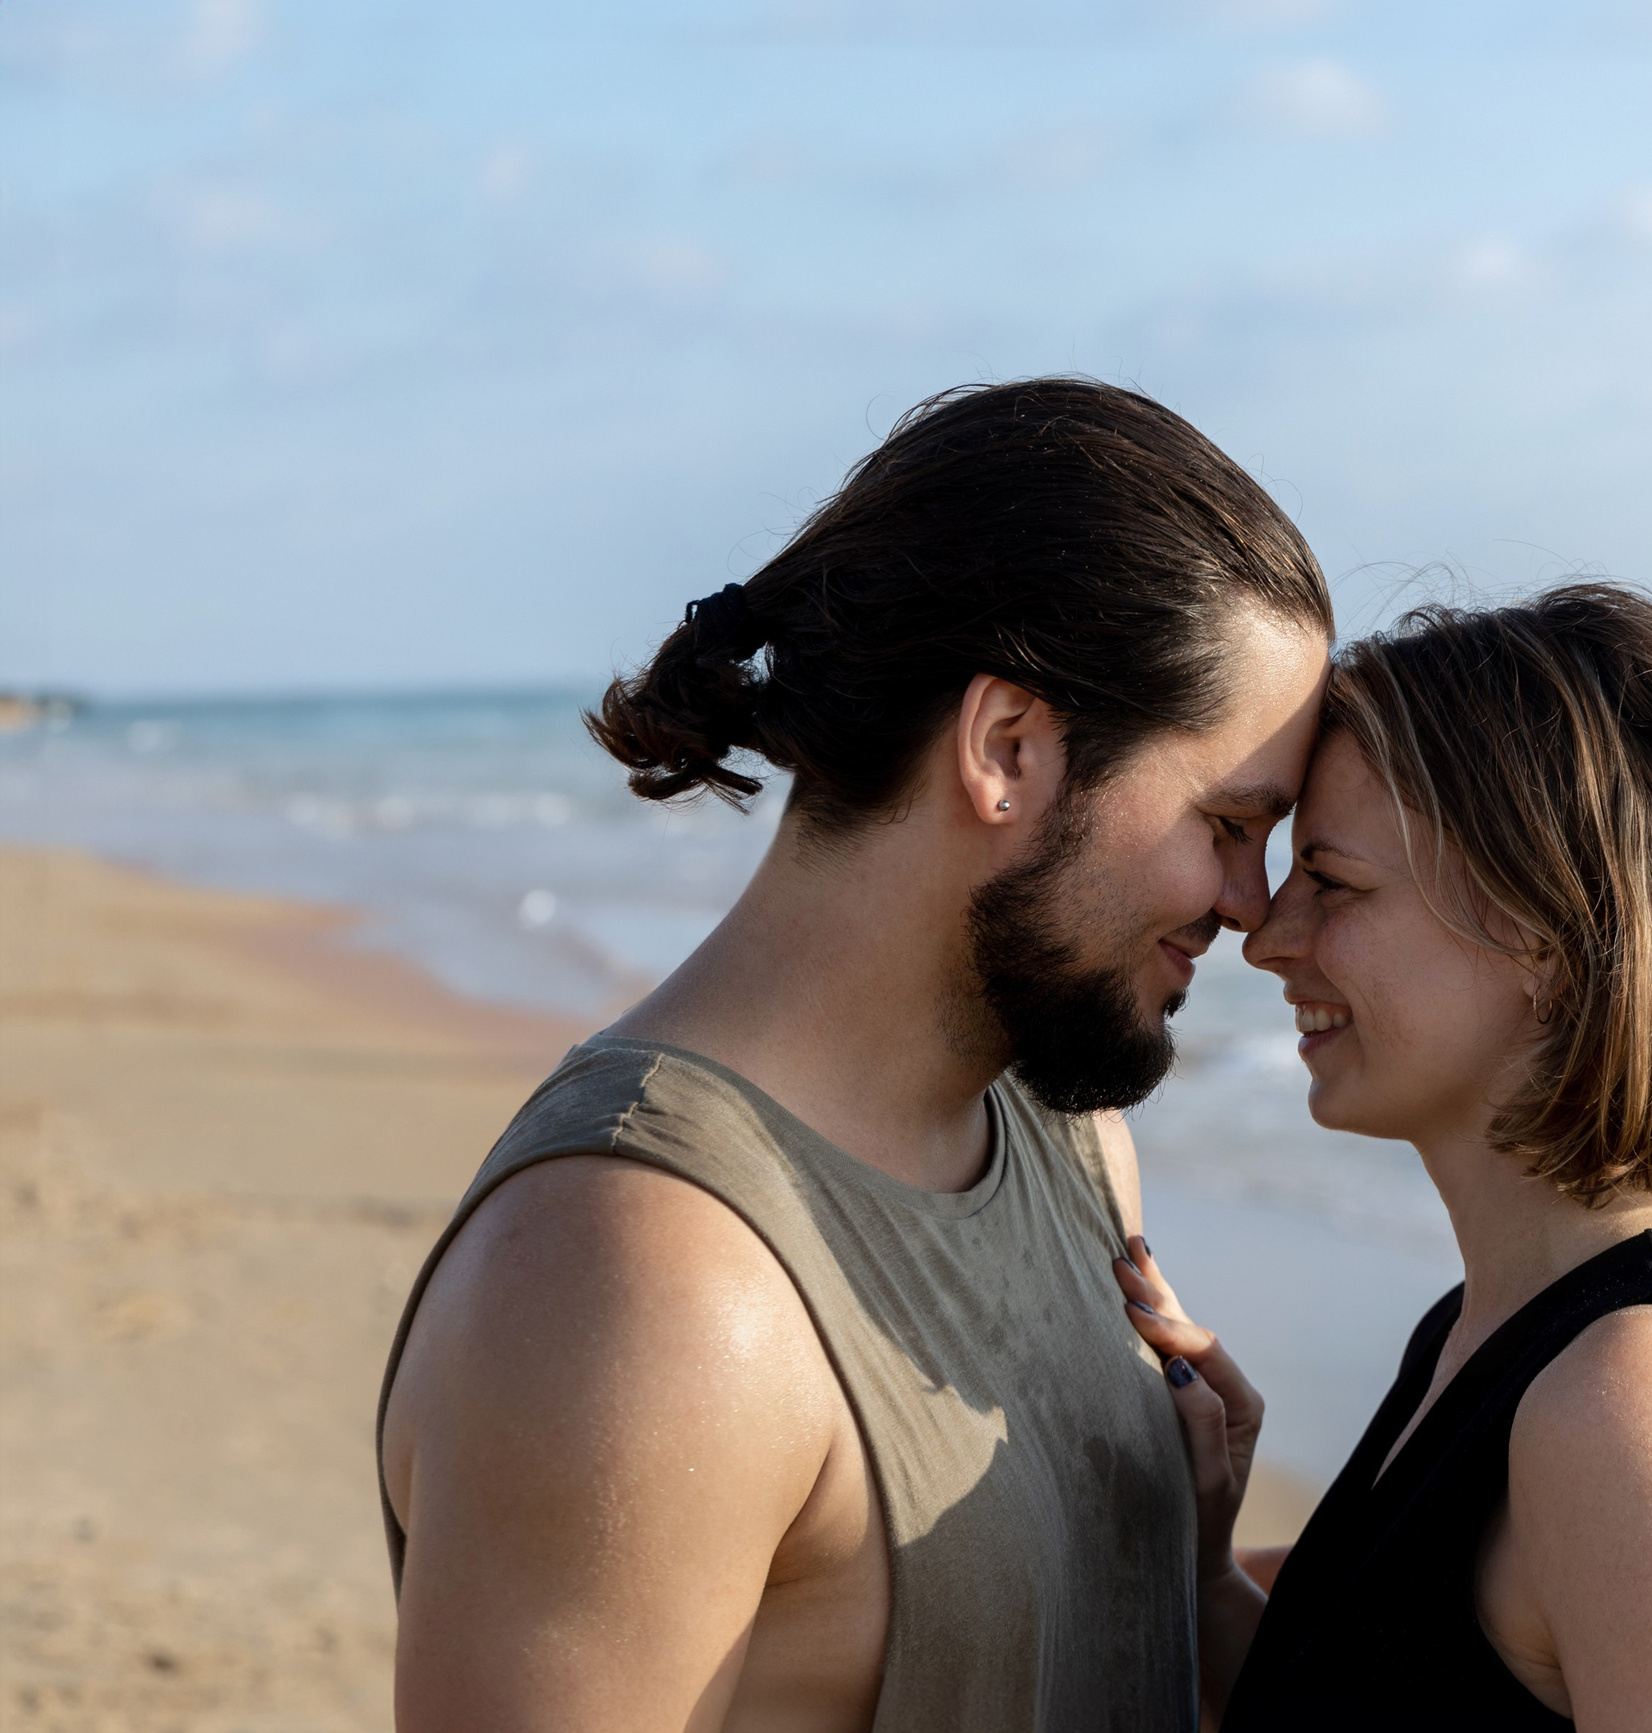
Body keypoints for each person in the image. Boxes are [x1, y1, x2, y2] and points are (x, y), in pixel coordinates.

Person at [375, 378, 1330, 1732]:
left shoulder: (1071, 1148)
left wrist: (1198, 1566)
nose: (1254, 902)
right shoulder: (644, 1284)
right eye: (1230, 821)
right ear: (1007, 749)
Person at [1120, 583, 1652, 1729]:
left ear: (1545, 935)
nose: (1267, 936)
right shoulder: (1491, 1329)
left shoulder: (1636, 1407)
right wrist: (1205, 1567)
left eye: (1335, 880)